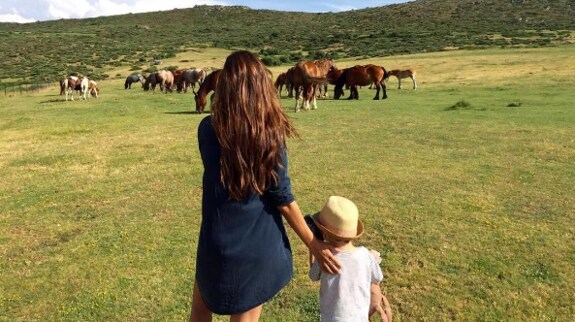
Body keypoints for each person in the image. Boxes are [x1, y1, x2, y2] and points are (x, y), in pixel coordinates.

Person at [189, 50, 341, 322]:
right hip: (254, 247)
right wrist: (313, 244)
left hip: (213, 243)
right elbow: (282, 198)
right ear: (261, 87)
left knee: (199, 314)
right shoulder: (269, 135)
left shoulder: (206, 129)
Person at [309, 196, 392, 322]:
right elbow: (377, 278)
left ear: (324, 233)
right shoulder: (366, 255)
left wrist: (313, 248)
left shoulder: (324, 256)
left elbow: (313, 276)